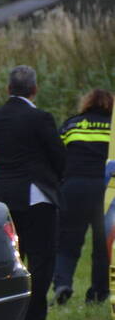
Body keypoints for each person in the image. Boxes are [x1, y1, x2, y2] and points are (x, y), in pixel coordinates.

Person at [0, 65, 65, 320]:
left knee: (10, 260)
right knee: (42, 260)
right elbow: (59, 157)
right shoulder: (40, 118)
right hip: (36, 196)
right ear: (35, 89)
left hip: (3, 197)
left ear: (8, 89)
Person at [53, 89, 113, 305]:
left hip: (74, 187)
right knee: (102, 246)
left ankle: (62, 284)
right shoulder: (113, 125)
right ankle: (97, 294)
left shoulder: (72, 124)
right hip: (106, 191)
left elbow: (56, 155)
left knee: (67, 242)